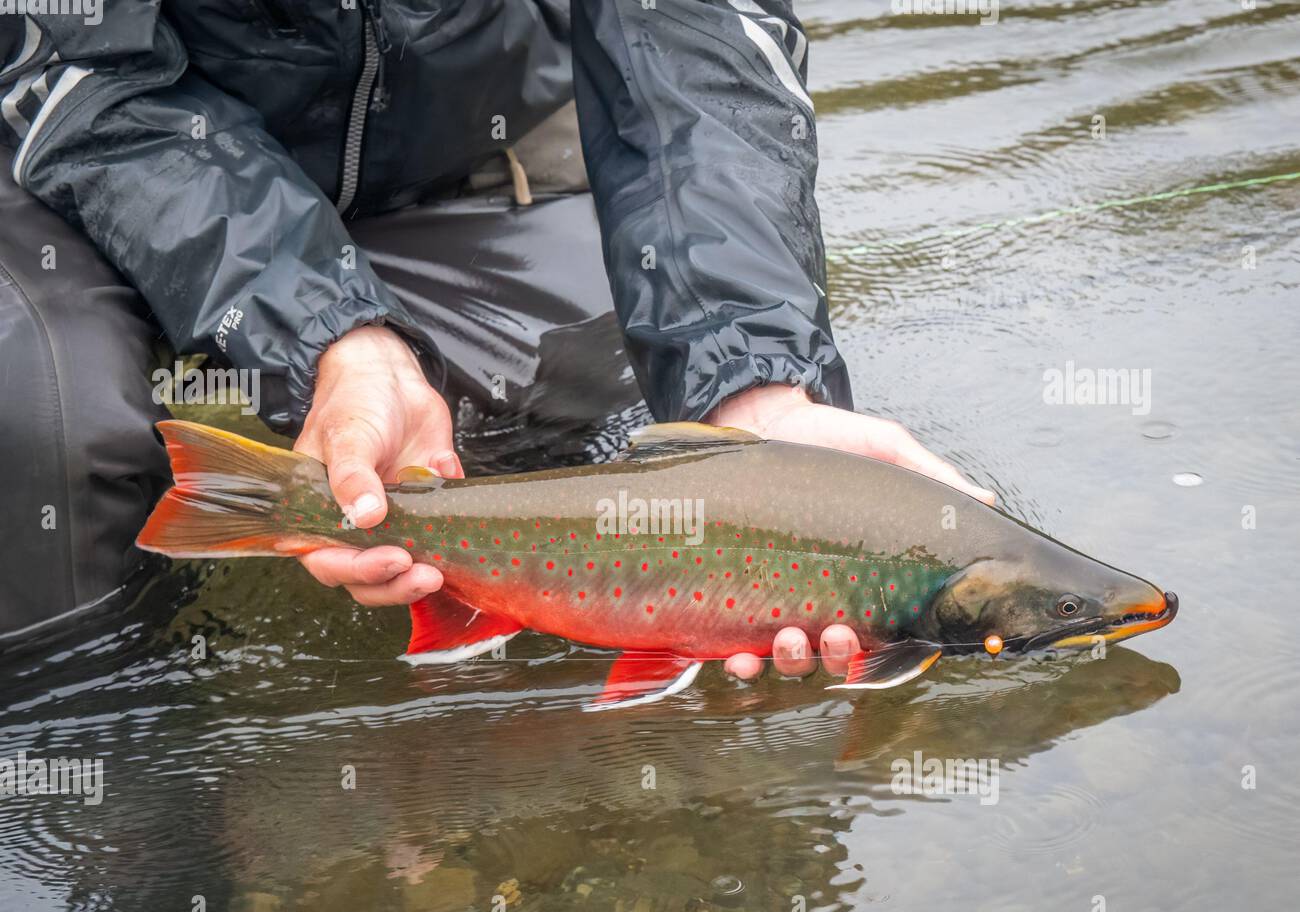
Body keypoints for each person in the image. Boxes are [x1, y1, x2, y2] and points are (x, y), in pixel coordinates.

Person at [0, 0, 992, 679]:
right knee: (53, 429)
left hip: (459, 153)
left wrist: (751, 387)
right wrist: (324, 328)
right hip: (78, 165)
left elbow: (689, 38)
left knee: (583, 368)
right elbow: (84, 71)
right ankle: (124, 810)